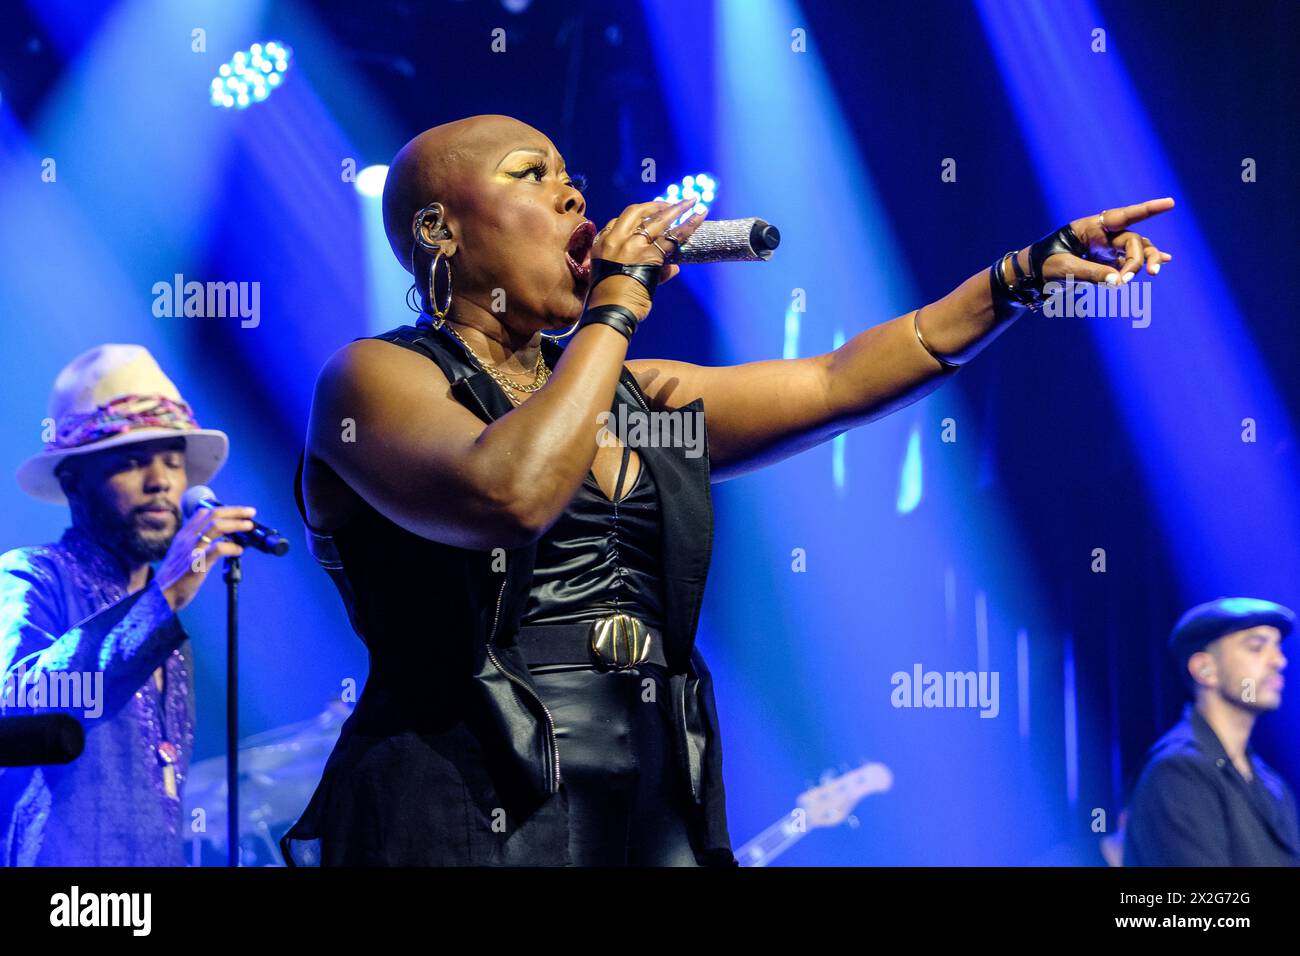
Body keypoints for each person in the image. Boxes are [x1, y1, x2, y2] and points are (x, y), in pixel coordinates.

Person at [282, 113, 1175, 866]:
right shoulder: (373, 380)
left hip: (653, 776)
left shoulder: (634, 398)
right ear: (440, 230)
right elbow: (508, 493)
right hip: (467, 783)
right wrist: (618, 303)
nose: (572, 194)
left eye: (571, 177)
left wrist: (1020, 275)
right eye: (532, 175)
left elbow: (836, 382)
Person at [0, 344, 256, 866]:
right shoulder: (32, 575)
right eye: (133, 461)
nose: (161, 481)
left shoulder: (165, 633)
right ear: (74, 480)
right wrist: (165, 597)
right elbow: (22, 702)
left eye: (172, 461)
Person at [1124, 597, 1299, 866]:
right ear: (1204, 669)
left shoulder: (1270, 782)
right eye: (1256, 647)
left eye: (1277, 647)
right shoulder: (1178, 771)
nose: (1278, 661)